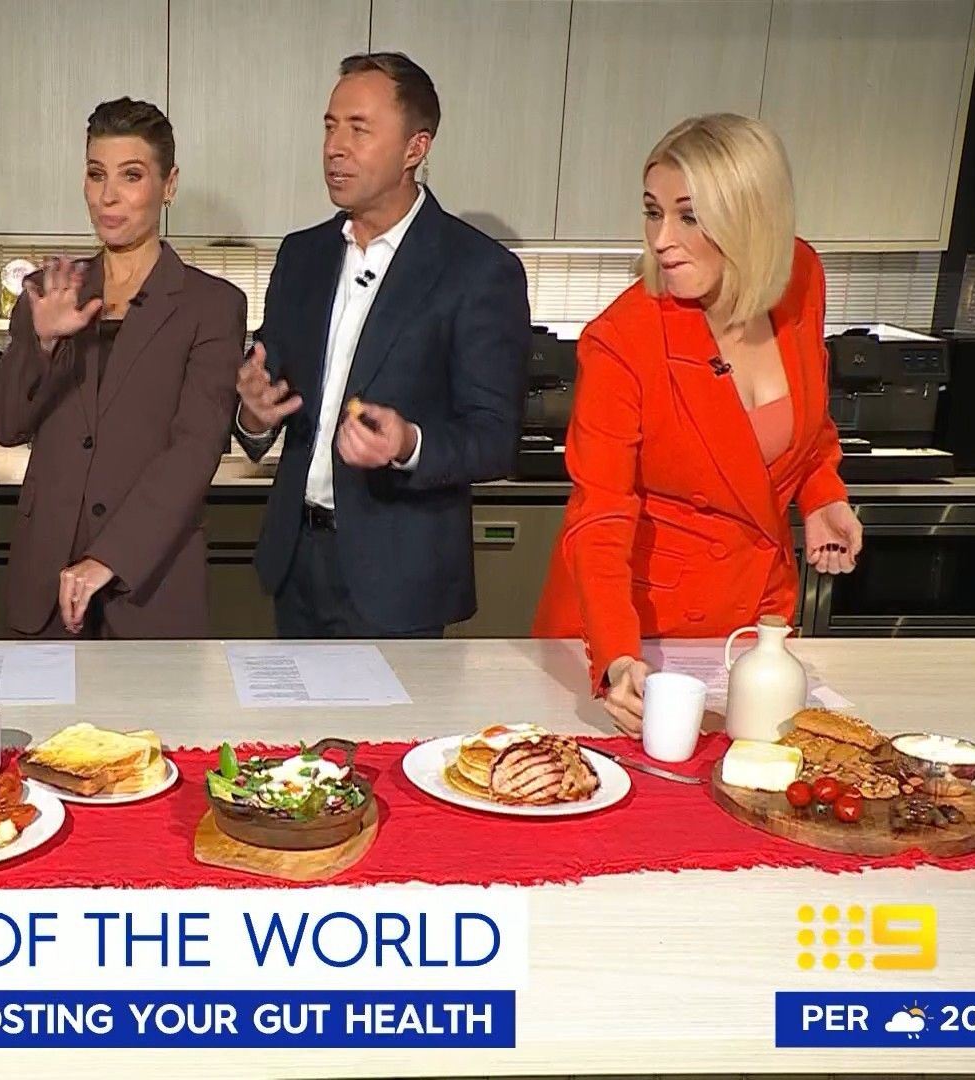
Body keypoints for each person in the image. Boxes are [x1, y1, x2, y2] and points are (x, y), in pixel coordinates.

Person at [530, 113, 864, 733]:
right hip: (640, 634)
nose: (661, 240)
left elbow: (808, 422)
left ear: (750, 218)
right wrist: (617, 659)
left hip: (751, 624)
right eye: (653, 212)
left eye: (688, 216)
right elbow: (599, 513)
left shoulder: (801, 277)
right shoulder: (623, 339)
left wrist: (822, 494)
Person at [233, 52, 529, 638]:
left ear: (415, 148)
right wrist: (253, 413)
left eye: (359, 129)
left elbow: (495, 439)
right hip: (296, 565)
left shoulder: (477, 270)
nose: (334, 147)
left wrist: (409, 442)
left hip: (400, 581)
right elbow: (268, 394)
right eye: (329, 126)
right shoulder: (302, 256)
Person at [0, 99, 244, 637]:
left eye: (131, 176)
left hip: (151, 587)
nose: (108, 196)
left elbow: (195, 450)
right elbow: (4, 424)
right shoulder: (49, 290)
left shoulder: (212, 305)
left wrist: (109, 558)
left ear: (169, 185)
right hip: (45, 587)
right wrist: (42, 343)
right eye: (97, 174)